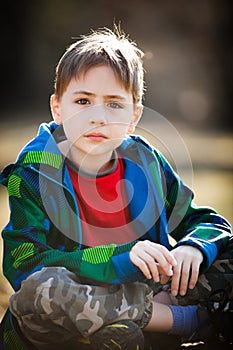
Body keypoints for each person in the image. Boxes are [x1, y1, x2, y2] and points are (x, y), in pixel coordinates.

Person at [0, 25, 232, 350]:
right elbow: (23, 264)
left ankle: (129, 334)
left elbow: (208, 223)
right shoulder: (35, 171)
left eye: (113, 104)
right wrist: (122, 258)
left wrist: (192, 247)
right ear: (57, 109)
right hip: (73, 309)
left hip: (149, 290)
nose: (97, 117)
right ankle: (182, 323)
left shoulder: (144, 162)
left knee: (226, 253)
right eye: (83, 101)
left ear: (134, 115)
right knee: (41, 290)